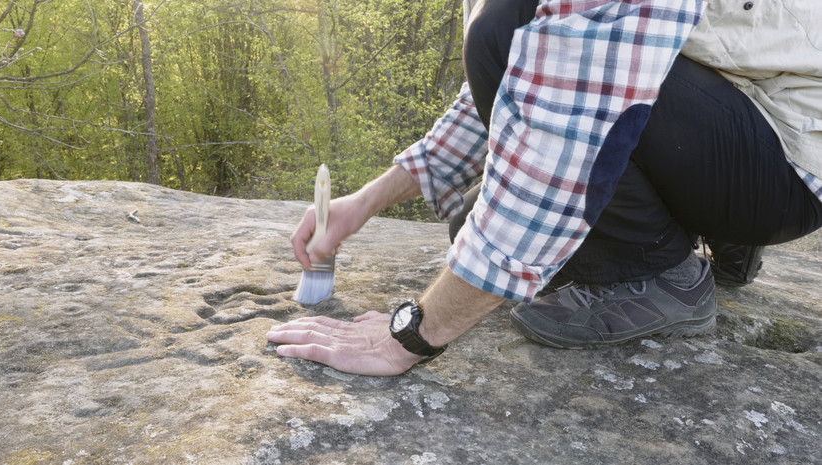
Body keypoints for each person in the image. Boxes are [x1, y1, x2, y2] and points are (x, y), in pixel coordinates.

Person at [266, 0, 822, 376]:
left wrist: (414, 333)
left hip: (788, 163)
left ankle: (658, 275)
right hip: (741, 114)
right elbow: (520, 74)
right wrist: (364, 202)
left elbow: (564, 113)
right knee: (472, 222)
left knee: (501, 28)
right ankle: (710, 230)